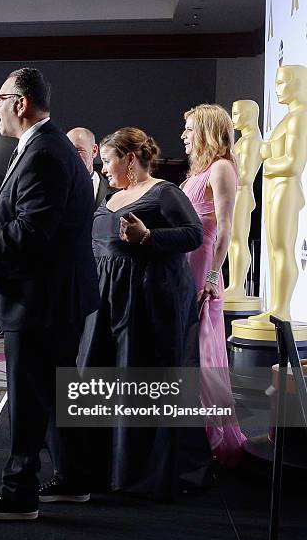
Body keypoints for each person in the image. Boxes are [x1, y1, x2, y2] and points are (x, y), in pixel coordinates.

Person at [0, 67, 99, 520]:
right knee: (54, 392)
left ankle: (19, 492)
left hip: (40, 300)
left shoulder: (44, 153)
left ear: (21, 103)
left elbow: (29, 233)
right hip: (54, 296)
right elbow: (14, 198)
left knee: (28, 396)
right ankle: (74, 479)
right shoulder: (40, 147)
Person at [74, 127, 212, 500]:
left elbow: (193, 235)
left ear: (130, 159)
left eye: (108, 161)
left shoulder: (164, 192)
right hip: (104, 302)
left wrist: (149, 237)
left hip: (147, 300)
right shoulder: (114, 195)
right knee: (97, 374)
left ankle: (140, 472)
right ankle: (95, 468)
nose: (103, 169)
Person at [180, 103, 246, 466]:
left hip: (204, 268)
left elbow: (225, 229)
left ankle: (212, 442)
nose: (184, 136)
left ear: (206, 130)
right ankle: (192, 439)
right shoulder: (198, 172)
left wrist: (210, 277)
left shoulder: (221, 168)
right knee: (191, 354)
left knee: (205, 356)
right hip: (186, 266)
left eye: (190, 129)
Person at [248, 65, 307, 327]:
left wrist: (268, 162)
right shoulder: (289, 118)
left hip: (285, 187)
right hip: (276, 187)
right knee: (274, 250)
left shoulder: (299, 118)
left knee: (282, 249)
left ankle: (281, 310)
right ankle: (276, 307)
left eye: (282, 83)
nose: (277, 89)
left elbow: (294, 164)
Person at [225, 100, 262, 301]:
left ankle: (238, 285)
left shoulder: (250, 141)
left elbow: (246, 175)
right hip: (237, 192)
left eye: (237, 114)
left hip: (242, 192)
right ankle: (235, 284)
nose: (233, 119)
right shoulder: (243, 141)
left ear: (249, 114)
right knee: (233, 240)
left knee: (238, 240)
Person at [67, 127, 111, 208]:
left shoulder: (114, 187)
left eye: (78, 150)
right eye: (67, 151)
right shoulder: (53, 187)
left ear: (94, 151)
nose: (71, 156)